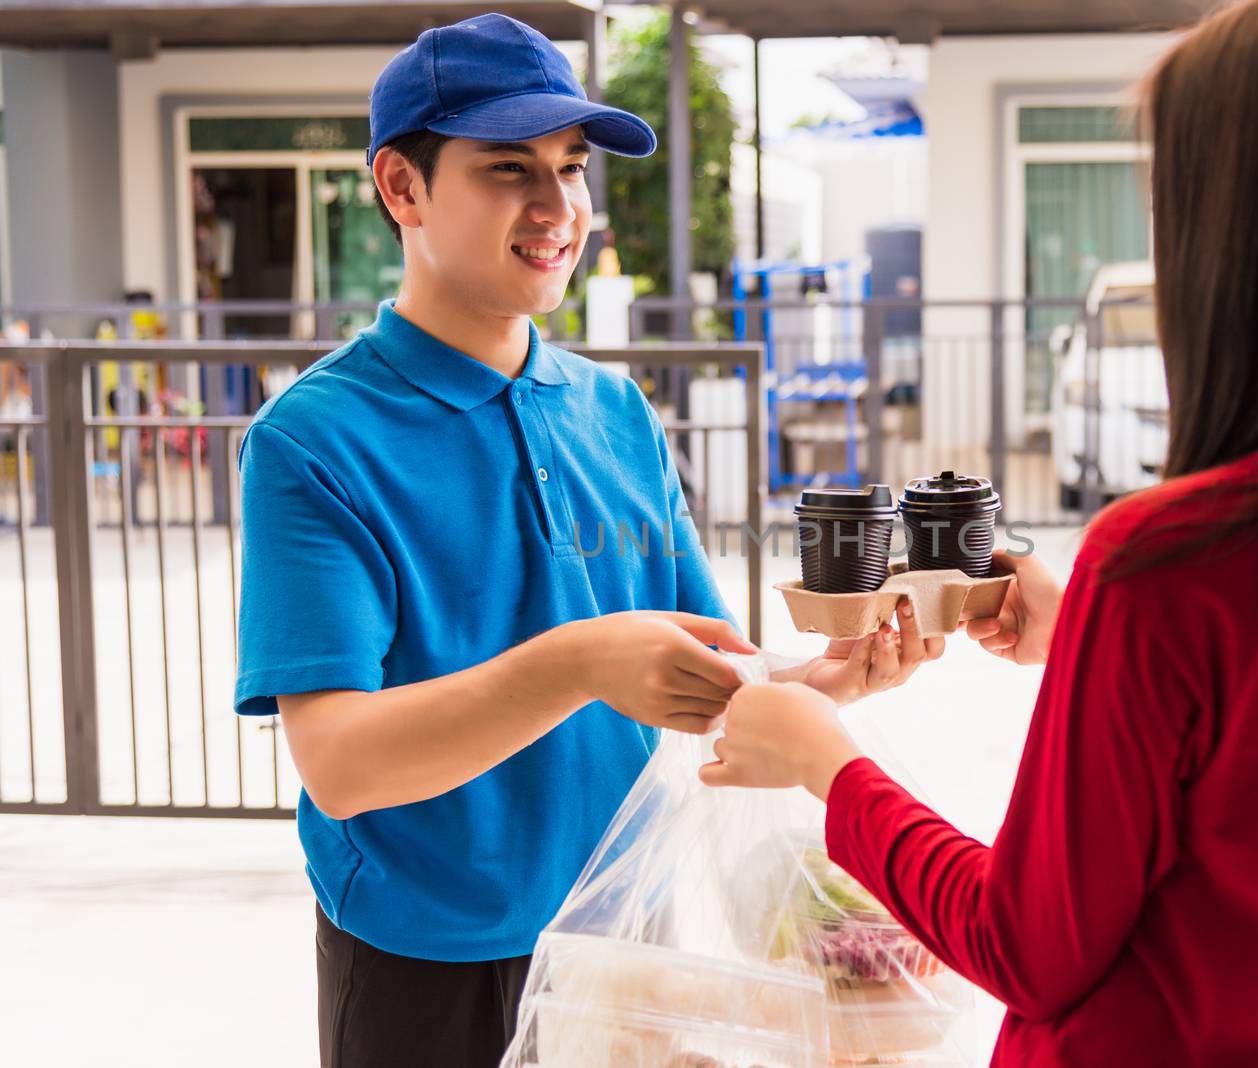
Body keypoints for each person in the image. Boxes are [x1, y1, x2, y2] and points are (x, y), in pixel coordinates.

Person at [701, 0, 1258, 1064]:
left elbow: (1022, 946)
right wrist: (1095, 647)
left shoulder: (1167, 562)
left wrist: (830, 767)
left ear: (1238, 237)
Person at [231, 15, 940, 1068]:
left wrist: (824, 678)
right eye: (509, 168)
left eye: (570, 167)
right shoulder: (315, 441)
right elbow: (340, 764)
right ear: (401, 187)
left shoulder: (616, 411)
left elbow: (706, 679)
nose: (558, 206)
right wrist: (578, 662)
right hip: (423, 961)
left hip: (623, 938)